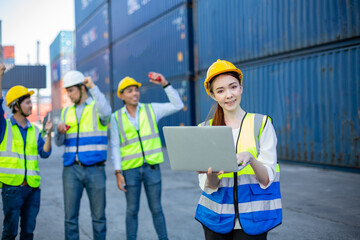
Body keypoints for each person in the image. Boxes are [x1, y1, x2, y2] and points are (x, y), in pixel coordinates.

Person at [195, 59, 282, 240]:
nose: (229, 95)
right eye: (220, 91)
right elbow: (208, 186)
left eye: (233, 87)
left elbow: (267, 178)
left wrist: (250, 158)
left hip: (252, 219)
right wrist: (212, 175)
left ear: (241, 88)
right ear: (213, 95)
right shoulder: (204, 129)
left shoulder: (261, 124)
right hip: (216, 218)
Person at [110, 73, 184, 240]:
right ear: (122, 95)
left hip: (152, 169)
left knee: (157, 209)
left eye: (136, 90)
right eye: (129, 91)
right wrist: (117, 172)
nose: (134, 93)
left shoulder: (152, 109)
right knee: (131, 211)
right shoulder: (116, 118)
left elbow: (178, 105)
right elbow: (114, 145)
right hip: (130, 171)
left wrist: (165, 84)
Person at [55, 71, 111, 240]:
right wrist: (59, 132)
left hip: (95, 169)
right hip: (71, 170)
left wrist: (93, 86)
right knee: (70, 219)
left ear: (82, 88)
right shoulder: (66, 112)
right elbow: (59, 142)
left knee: (99, 218)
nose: (69, 95)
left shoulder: (96, 106)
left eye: (71, 90)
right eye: (67, 91)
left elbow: (107, 113)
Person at [0, 63, 53, 240]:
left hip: (32, 189)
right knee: (9, 233)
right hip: (12, 189)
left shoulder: (35, 130)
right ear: (16, 106)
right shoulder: (4, 127)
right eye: (28, 102)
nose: (31, 106)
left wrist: (49, 133)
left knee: (28, 233)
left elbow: (45, 153)